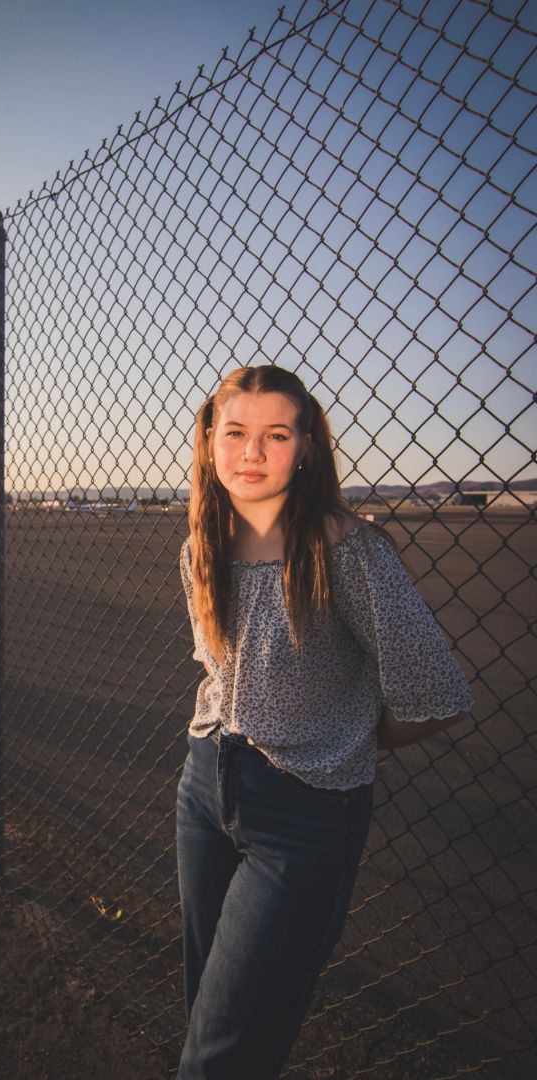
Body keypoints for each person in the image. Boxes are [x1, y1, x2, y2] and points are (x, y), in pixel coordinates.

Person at [176, 364, 473, 1080]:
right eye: (236, 432)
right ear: (210, 442)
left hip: (304, 812)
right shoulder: (200, 547)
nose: (252, 452)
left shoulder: (345, 549)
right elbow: (219, 671)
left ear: (306, 447)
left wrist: (352, 742)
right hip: (204, 788)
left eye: (277, 435)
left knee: (223, 1052)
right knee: (205, 1007)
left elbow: (438, 693)